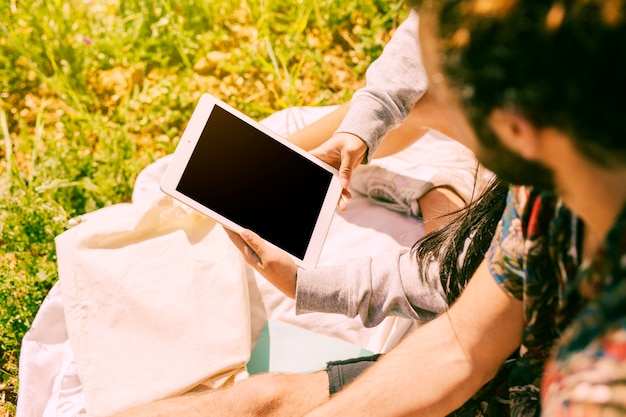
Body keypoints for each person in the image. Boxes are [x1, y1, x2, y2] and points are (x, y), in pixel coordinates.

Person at [116, 0, 626, 415]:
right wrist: (302, 285)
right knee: (257, 399)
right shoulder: (548, 192)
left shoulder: (594, 389)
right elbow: (463, 342)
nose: (424, 106)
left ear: (517, 130)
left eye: (442, 98)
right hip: (502, 354)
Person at [16, 7, 491, 417]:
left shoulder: (522, 216)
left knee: (263, 391)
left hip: (467, 317)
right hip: (454, 235)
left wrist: (311, 286)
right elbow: (422, 46)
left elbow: (451, 284)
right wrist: (363, 128)